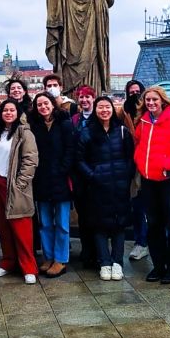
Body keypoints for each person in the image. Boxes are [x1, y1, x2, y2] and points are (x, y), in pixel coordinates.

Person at [133, 86, 170, 285]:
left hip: (168, 180)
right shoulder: (143, 122)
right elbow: (139, 145)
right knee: (153, 224)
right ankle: (158, 265)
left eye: (154, 100)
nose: (151, 103)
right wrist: (140, 163)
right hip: (149, 180)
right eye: (148, 100)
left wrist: (167, 165)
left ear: (162, 101)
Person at [76, 96, 135, 281]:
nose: (104, 111)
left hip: (119, 185)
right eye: (100, 107)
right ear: (95, 110)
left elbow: (131, 158)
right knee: (99, 225)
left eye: (107, 107)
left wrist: (126, 175)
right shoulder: (87, 132)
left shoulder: (123, 131)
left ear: (113, 110)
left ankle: (117, 262)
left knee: (119, 225)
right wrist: (92, 176)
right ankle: (104, 262)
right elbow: (79, 160)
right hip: (97, 186)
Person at [0, 99, 39, 284]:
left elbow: (30, 160)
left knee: (21, 227)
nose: (8, 113)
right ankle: (8, 261)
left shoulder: (24, 132)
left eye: (12, 110)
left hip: (13, 185)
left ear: (17, 113)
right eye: (5, 110)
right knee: (3, 227)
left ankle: (28, 266)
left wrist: (20, 184)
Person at [29, 92, 76, 277]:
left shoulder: (64, 123)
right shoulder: (35, 126)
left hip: (61, 180)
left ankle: (61, 259)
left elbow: (70, 149)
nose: (43, 107)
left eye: (46, 103)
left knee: (62, 223)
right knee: (45, 223)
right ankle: (48, 257)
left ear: (52, 104)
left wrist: (63, 170)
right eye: (39, 104)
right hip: (41, 179)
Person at [122, 79, 149, 261]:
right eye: (131, 92)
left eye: (137, 91)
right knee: (137, 206)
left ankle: (150, 242)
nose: (134, 95)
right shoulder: (123, 113)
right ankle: (141, 242)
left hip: (150, 165)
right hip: (133, 166)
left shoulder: (150, 114)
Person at [71, 84, 97, 268]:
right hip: (79, 175)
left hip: (97, 173)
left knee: (97, 214)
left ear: (93, 99)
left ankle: (98, 252)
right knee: (83, 215)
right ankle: (87, 251)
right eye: (81, 97)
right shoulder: (74, 120)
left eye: (87, 97)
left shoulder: (102, 117)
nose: (84, 100)